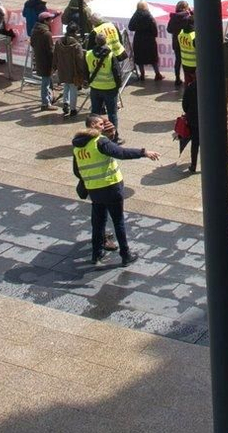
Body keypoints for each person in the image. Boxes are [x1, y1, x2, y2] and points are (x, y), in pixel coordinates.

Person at [72, 114, 159, 266]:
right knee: (118, 221)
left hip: (94, 189)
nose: (103, 126)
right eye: (100, 124)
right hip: (111, 187)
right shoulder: (100, 141)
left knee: (98, 221)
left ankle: (96, 253)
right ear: (92, 125)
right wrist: (143, 152)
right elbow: (121, 153)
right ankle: (125, 254)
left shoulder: (78, 147)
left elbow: (77, 171)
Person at [84, 32, 121, 133]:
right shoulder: (110, 55)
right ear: (106, 41)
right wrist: (118, 86)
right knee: (112, 114)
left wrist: (88, 81)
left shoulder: (89, 54)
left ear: (95, 41)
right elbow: (117, 73)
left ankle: (92, 134)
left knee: (95, 114)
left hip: (95, 87)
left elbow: (85, 70)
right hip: (109, 88)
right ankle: (114, 136)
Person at [126, 0, 163, 83]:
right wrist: (154, 35)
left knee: (140, 58)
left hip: (138, 39)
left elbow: (130, 27)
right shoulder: (149, 16)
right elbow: (154, 29)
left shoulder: (135, 16)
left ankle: (142, 75)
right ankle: (157, 74)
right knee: (153, 58)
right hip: (149, 40)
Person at [55, 27, 86, 117]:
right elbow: (80, 60)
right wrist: (82, 72)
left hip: (62, 69)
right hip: (73, 71)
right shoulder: (77, 45)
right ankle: (73, 109)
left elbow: (55, 55)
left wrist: (55, 67)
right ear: (75, 32)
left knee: (66, 86)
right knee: (73, 89)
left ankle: (65, 103)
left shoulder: (58, 42)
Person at [29, 10, 56, 109]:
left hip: (39, 59)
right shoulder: (47, 34)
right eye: (50, 19)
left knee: (47, 81)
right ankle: (45, 103)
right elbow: (50, 51)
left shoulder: (34, 31)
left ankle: (50, 98)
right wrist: (55, 62)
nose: (52, 21)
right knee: (45, 83)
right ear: (45, 21)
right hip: (46, 62)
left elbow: (32, 43)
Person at [167, 0, 194, 87]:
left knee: (178, 61)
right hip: (186, 41)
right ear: (185, 8)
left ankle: (177, 78)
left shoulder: (173, 17)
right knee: (187, 62)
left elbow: (169, 29)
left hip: (176, 41)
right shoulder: (187, 16)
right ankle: (190, 79)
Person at [179, 71, 201, 172]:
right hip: (206, 121)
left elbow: (184, 105)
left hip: (193, 119)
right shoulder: (209, 88)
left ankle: (193, 165)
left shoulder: (190, 87)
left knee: (195, 143)